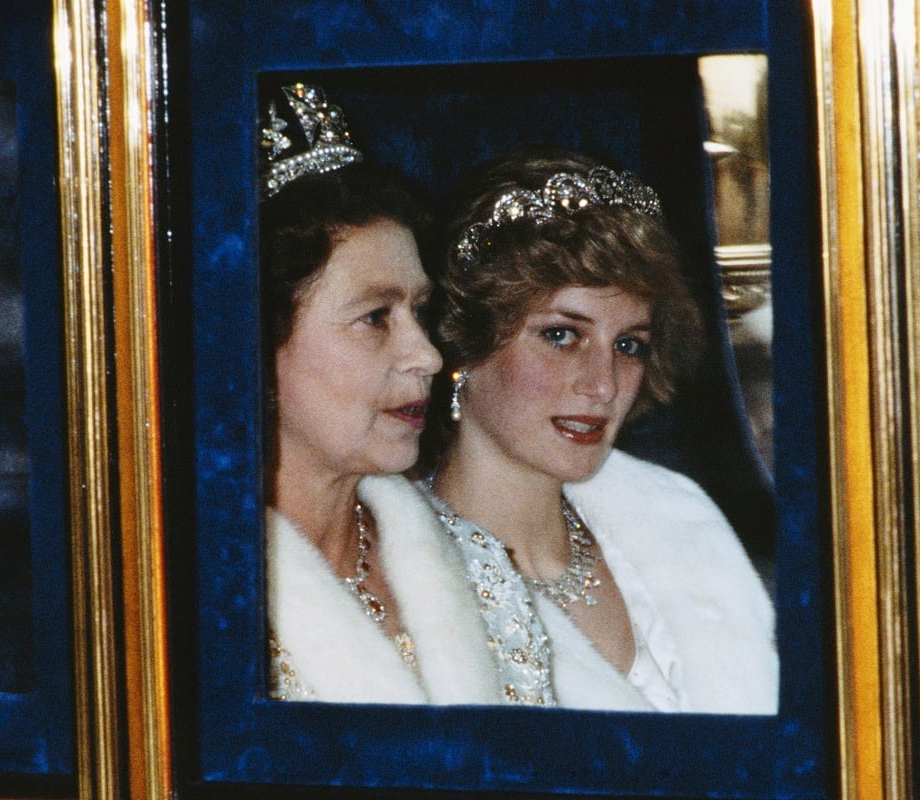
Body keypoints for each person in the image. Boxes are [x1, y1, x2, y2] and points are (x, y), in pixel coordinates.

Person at [421, 149, 778, 713]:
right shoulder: (407, 584)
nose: (604, 385)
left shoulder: (679, 524)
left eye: (628, 344)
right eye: (562, 335)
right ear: (463, 344)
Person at [260, 83, 503, 704]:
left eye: (419, 311)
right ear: (255, 345)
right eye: (375, 317)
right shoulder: (183, 604)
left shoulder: (477, 564)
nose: (426, 354)